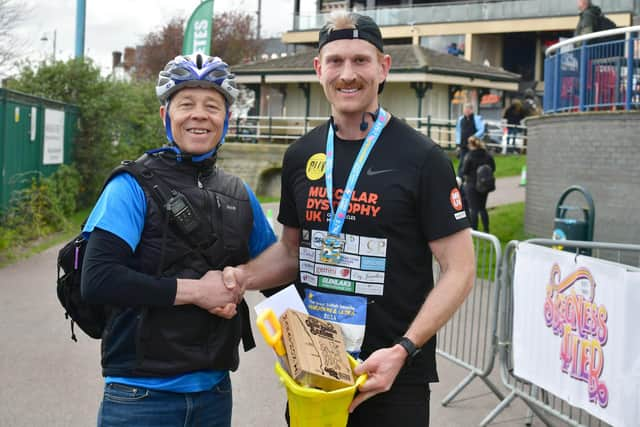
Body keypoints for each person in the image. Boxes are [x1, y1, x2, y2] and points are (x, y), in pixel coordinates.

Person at [223, 11, 475, 427]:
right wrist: (241, 279)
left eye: (361, 60)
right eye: (336, 61)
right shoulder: (301, 156)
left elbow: (461, 269)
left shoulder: (422, 158)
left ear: (383, 68)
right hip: (315, 373)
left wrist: (404, 350)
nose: (348, 74)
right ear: (319, 69)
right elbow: (290, 251)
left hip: (393, 374)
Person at [80, 53, 276, 427]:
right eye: (186, 104)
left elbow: (277, 275)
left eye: (212, 106)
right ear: (165, 116)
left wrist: (329, 340)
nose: (199, 114)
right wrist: (198, 292)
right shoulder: (131, 186)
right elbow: (99, 278)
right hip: (139, 396)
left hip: (214, 394)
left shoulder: (239, 193)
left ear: (227, 120)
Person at [461, 136, 496, 232]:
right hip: (484, 184)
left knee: (473, 209)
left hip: (472, 185)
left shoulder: (469, 156)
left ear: (471, 145)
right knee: (482, 208)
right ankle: (486, 230)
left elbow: (464, 171)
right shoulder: (487, 155)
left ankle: (474, 231)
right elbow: (493, 168)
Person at [455, 102, 485, 177]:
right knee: (462, 162)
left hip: (474, 144)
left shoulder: (477, 118)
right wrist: (458, 143)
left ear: (471, 110)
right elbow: (458, 131)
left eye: (468, 109)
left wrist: (474, 136)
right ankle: (459, 178)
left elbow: (481, 129)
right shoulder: (460, 119)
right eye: (465, 110)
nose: (466, 111)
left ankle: (476, 177)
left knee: (474, 161)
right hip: (464, 144)